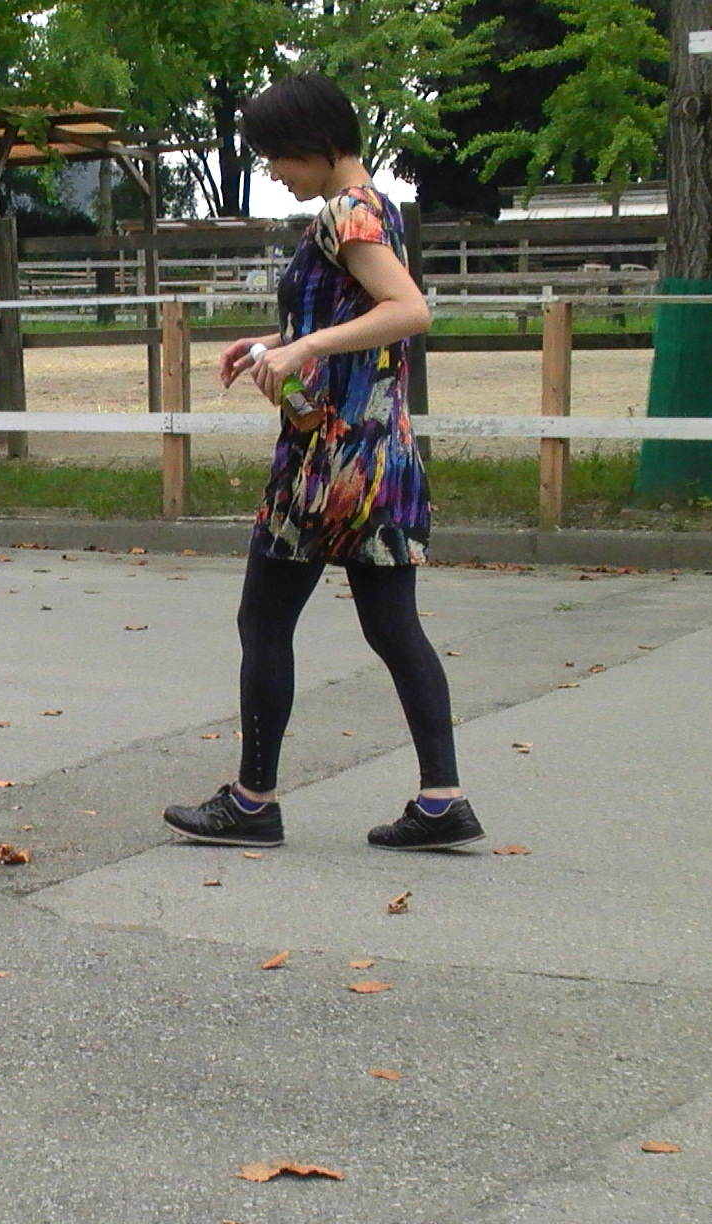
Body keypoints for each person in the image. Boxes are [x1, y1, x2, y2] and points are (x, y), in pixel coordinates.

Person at [162, 72, 485, 852]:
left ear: (311, 143)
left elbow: (408, 311)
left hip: (327, 464)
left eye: (277, 156)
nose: (274, 172)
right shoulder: (378, 208)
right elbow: (357, 316)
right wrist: (276, 344)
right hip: (380, 457)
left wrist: (301, 345)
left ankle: (253, 800)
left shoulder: (347, 212)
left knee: (264, 621)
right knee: (394, 628)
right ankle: (441, 800)